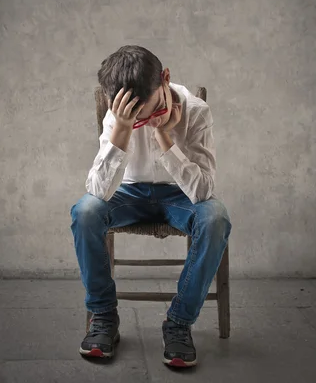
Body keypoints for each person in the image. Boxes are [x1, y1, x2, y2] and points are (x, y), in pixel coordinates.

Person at [70, 45, 232, 368]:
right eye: (138, 118)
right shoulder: (118, 116)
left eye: (154, 109)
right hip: (128, 194)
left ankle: (178, 322)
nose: (149, 119)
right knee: (84, 211)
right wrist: (122, 128)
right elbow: (98, 191)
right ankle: (103, 317)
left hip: (180, 195)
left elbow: (202, 192)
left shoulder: (197, 112)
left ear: (165, 78)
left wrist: (163, 134)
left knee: (216, 217)